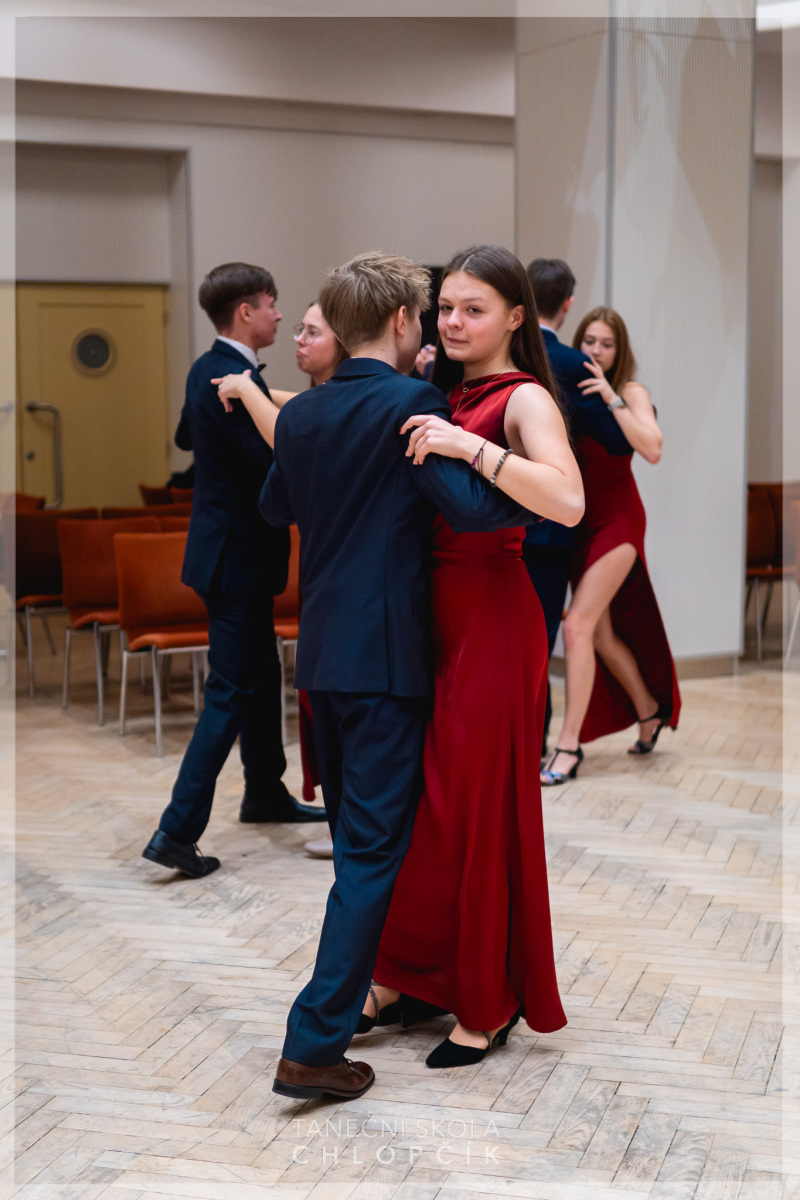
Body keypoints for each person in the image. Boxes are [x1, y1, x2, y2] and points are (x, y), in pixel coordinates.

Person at [213, 250, 551, 1101]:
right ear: (404, 321)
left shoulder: (304, 415)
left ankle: (398, 982)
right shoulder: (412, 404)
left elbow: (276, 506)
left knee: (369, 844)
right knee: (370, 854)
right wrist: (502, 477)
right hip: (390, 662)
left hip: (322, 658)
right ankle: (312, 1044)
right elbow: (469, 512)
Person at [367, 245, 583, 1069]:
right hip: (433, 616)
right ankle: (415, 973)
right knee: (426, 806)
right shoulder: (444, 389)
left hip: (492, 619)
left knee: (476, 806)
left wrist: (470, 449)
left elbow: (568, 499)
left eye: (473, 309)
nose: (453, 322)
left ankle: (487, 1001)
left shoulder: (522, 396)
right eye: (446, 308)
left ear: (516, 316)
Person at [142, 263, 322, 882]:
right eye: (272, 304)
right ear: (246, 311)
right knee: (231, 689)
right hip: (234, 559)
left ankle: (264, 791)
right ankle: (176, 831)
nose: (279, 314)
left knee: (261, 674)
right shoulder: (231, 377)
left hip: (233, 555)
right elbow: (273, 453)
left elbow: (184, 436)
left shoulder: (208, 370)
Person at [541, 306, 681, 786]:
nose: (597, 351)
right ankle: (648, 709)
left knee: (576, 626)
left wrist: (611, 398)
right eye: (590, 342)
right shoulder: (568, 387)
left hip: (619, 521)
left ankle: (568, 747)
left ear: (619, 351)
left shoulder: (630, 391)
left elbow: (652, 448)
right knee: (598, 635)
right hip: (580, 525)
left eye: (607, 344)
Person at [523, 258, 634, 758]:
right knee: (539, 637)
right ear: (567, 305)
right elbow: (618, 441)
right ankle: (534, 742)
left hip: (488, 517)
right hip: (549, 525)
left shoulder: (500, 353)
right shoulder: (571, 365)